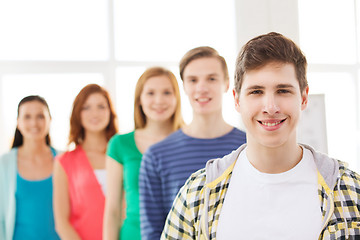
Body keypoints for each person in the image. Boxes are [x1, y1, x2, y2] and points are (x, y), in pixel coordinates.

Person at [161, 32, 360, 239]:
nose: (270, 107)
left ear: (303, 97)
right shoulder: (197, 194)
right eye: (256, 91)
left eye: (283, 91)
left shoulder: (349, 189)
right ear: (237, 100)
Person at [139, 47, 247, 240]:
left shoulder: (250, 146)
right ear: (184, 86)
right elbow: (152, 232)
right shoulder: (157, 155)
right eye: (193, 80)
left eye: (211, 78)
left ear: (226, 83)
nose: (202, 88)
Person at [103, 67, 184, 240]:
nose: (159, 100)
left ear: (177, 98)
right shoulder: (120, 144)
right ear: (139, 99)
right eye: (150, 93)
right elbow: (113, 210)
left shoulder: (191, 140)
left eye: (167, 92)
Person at [53, 84, 118, 240]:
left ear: (110, 112)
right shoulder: (64, 162)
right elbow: (62, 222)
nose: (94, 113)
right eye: (86, 107)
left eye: (101, 106)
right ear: (78, 114)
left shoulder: (122, 155)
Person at [0, 95, 60, 240]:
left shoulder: (63, 160)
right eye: (27, 116)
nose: (34, 122)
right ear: (18, 123)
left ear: (49, 120)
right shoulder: (4, 164)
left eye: (40, 116)